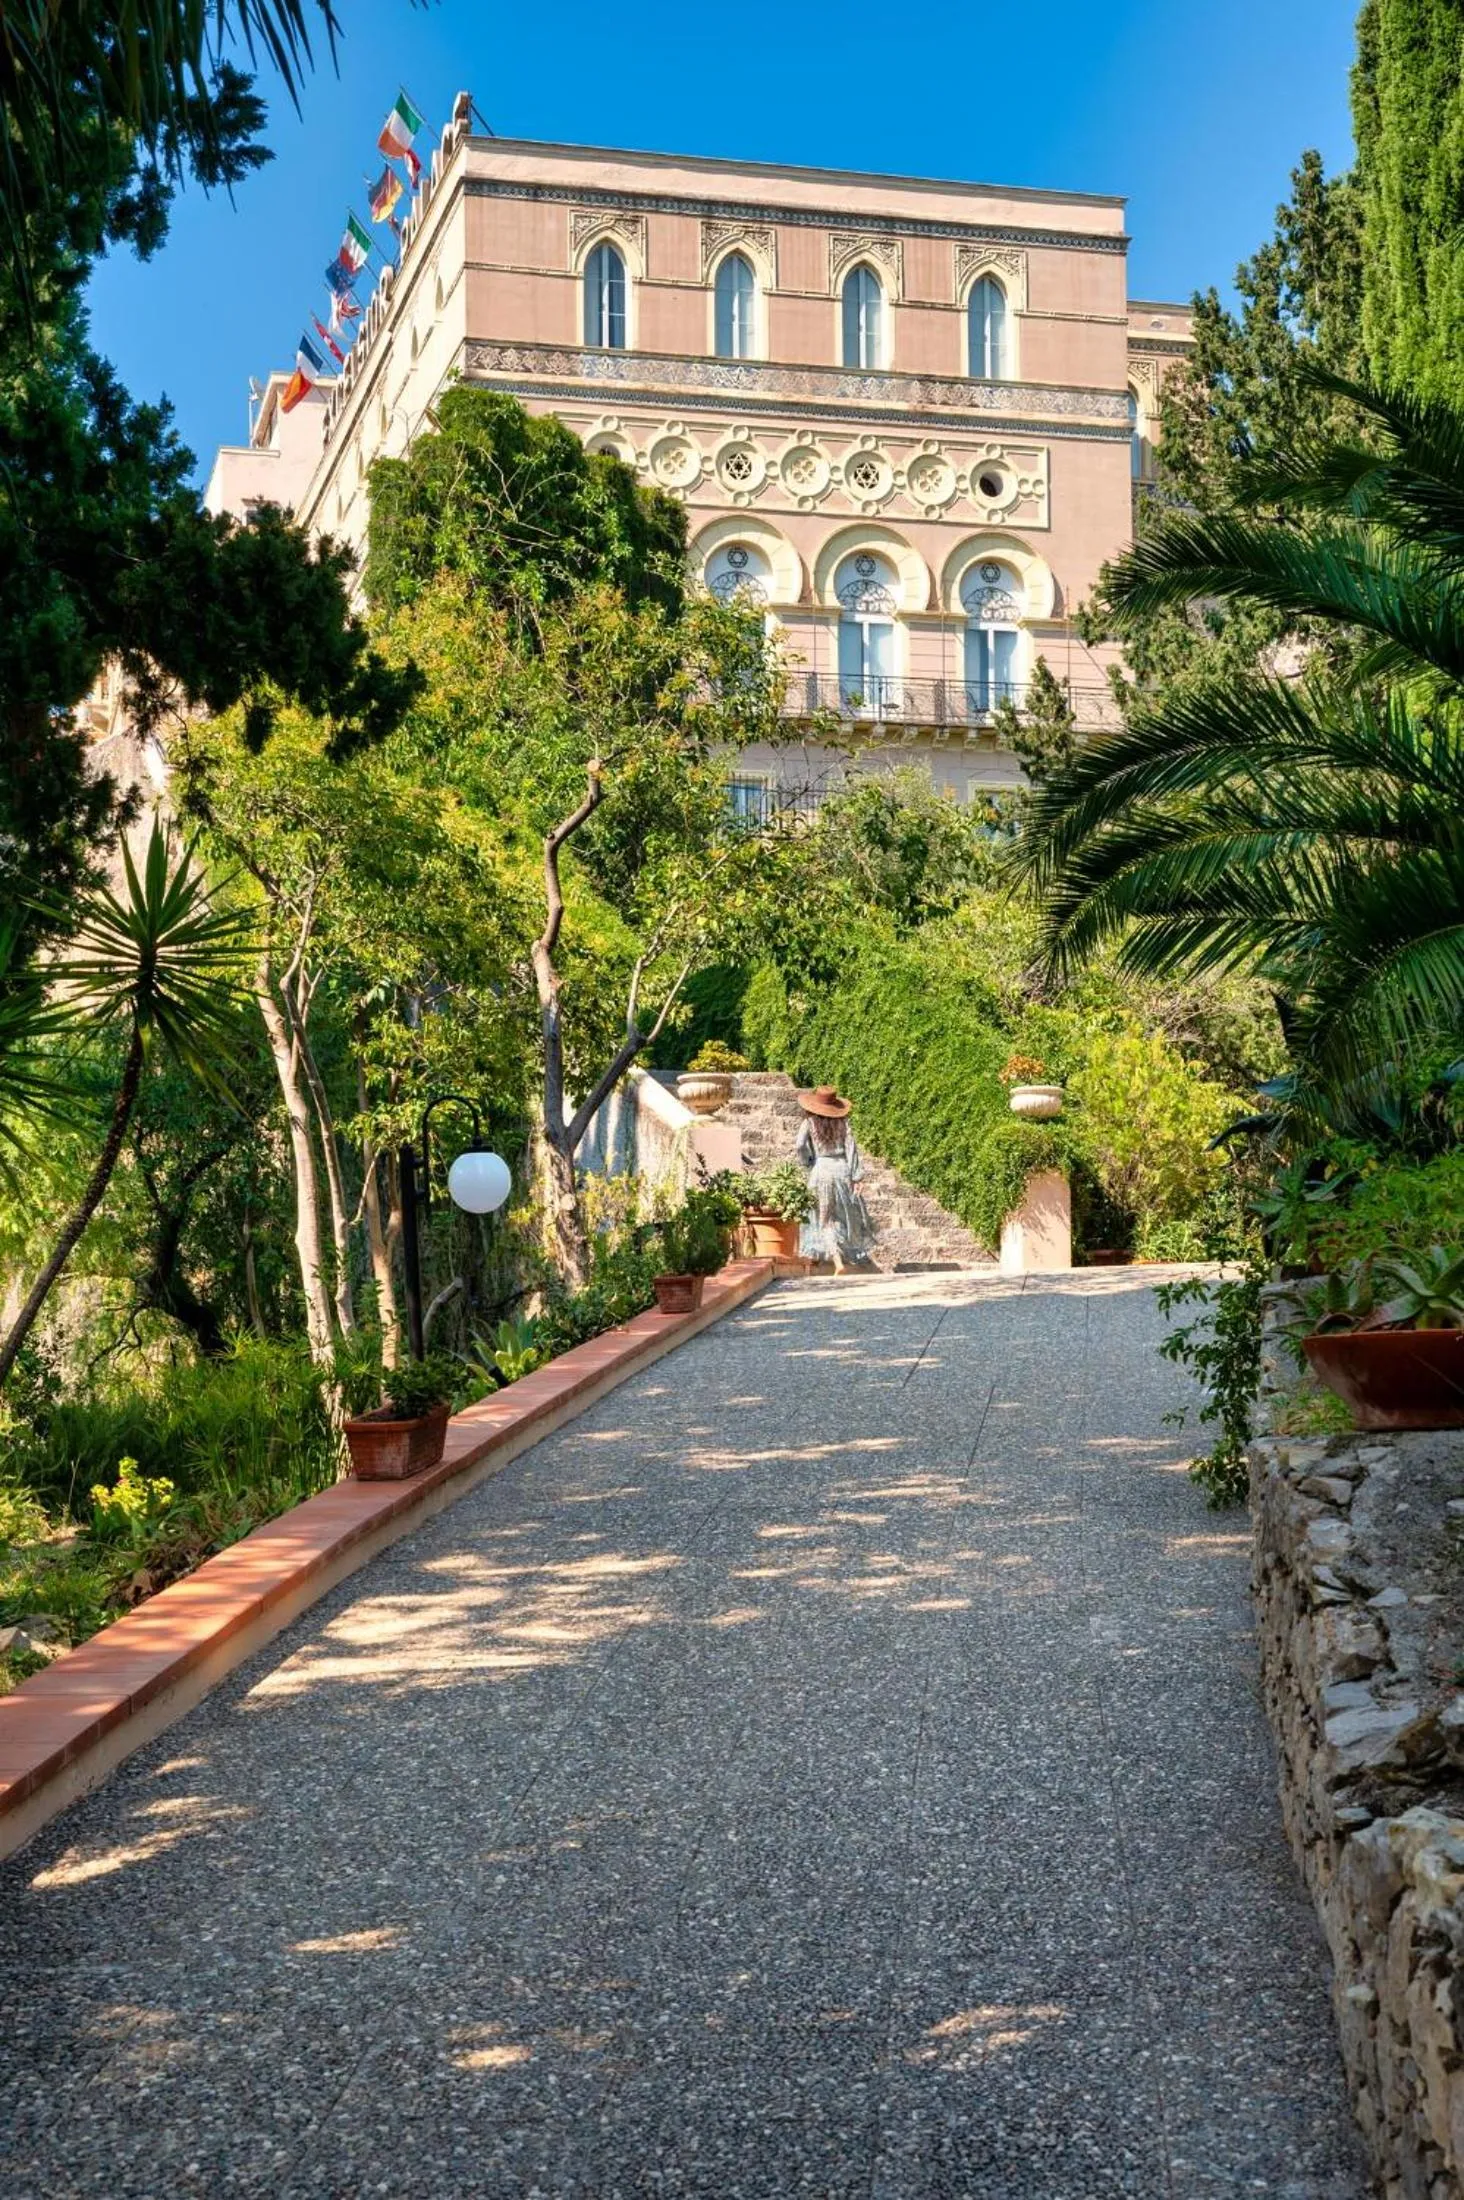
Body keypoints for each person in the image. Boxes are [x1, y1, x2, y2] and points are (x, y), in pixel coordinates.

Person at [794, 1086, 875, 1274]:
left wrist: (808, 1161)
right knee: (842, 1215)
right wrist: (856, 1176)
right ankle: (839, 1255)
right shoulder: (843, 1123)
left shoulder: (809, 1122)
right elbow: (851, 1148)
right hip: (842, 1170)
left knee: (823, 1218)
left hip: (821, 1170)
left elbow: (799, 1145)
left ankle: (836, 1260)